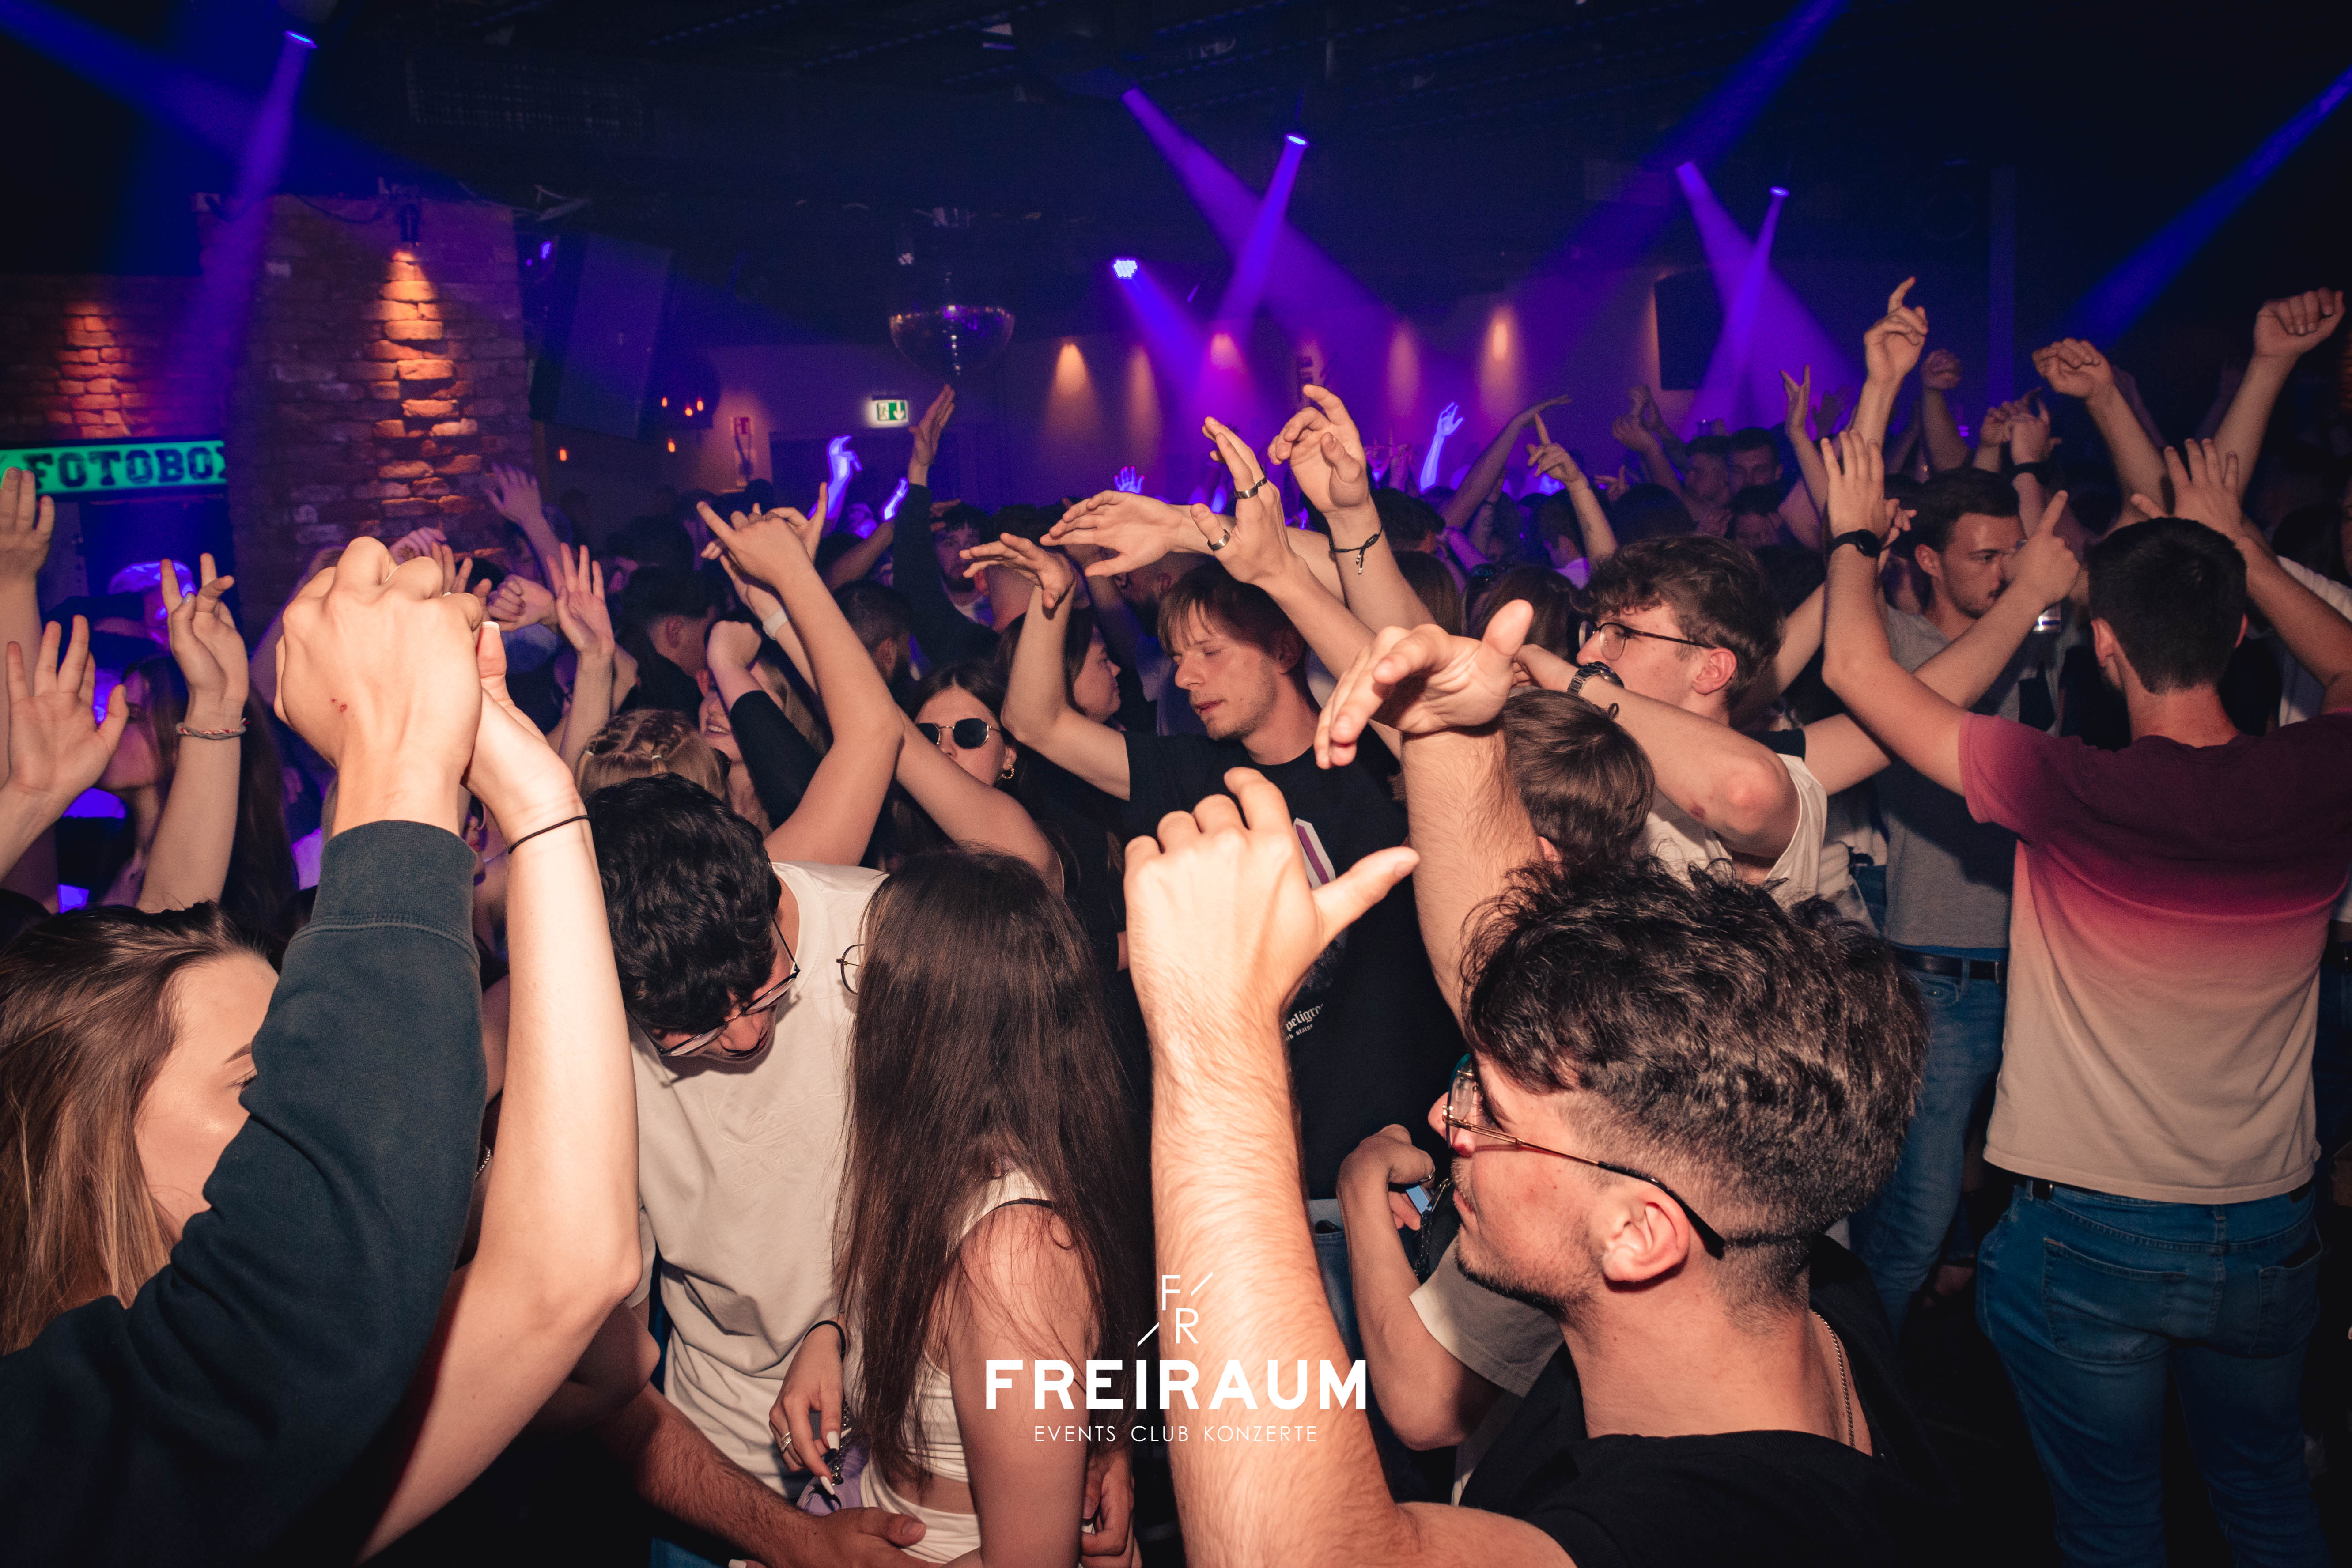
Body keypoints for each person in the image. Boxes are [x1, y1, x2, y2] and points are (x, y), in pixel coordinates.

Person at [1121, 597, 1948, 1562]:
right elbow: (1514, 988)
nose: (1449, 1116)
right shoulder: (1789, 1280)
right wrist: (1450, 739)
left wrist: (1213, 1034)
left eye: (1495, 1118)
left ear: (1637, 1235)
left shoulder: (1703, 1533)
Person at [1820, 431, 2352, 1564]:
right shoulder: (2317, 775)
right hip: (2268, 1225)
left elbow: (1857, 679)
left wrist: (1854, 536)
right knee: (2267, 1498)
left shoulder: (2065, 786)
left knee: (2112, 1526)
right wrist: (2242, 549)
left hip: (2089, 1234)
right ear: (2240, 633)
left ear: (2102, 647)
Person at [0, 540, 587, 1560]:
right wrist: (396, 758)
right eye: (259, 1078)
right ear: (89, 1140)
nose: (313, 1087)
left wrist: (537, 799)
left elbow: (566, 1274)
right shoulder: (97, 1463)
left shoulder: (263, 1435)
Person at [774, 852, 1148, 1563]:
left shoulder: (1016, 1257)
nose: (861, 1001)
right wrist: (832, 1333)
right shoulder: (937, 1164)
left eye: (872, 975)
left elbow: (1031, 1561)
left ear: (931, 1021)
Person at [1844, 464, 2065, 1334]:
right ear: (1928, 561)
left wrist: (2029, 466)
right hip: (1938, 980)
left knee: (2022, 1207)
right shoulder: (1899, 646)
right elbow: (1867, 655)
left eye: (2015, 555)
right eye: (1983, 557)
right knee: (1915, 1220)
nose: (2007, 574)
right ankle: (1866, 1386)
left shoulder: (2040, 641)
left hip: (2043, 978)